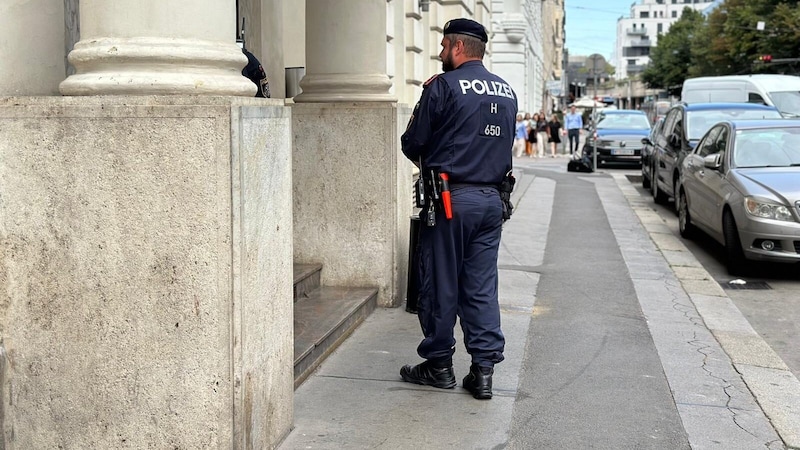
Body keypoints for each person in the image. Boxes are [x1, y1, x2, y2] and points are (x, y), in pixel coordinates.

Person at [400, 18, 516, 400]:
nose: (439, 53)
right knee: (481, 287)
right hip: (491, 202)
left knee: (439, 283)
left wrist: (434, 162)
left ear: (457, 47)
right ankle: (483, 372)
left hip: (450, 200)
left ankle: (439, 366)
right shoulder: (507, 91)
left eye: (443, 45)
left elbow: (412, 141)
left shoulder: (443, 86)